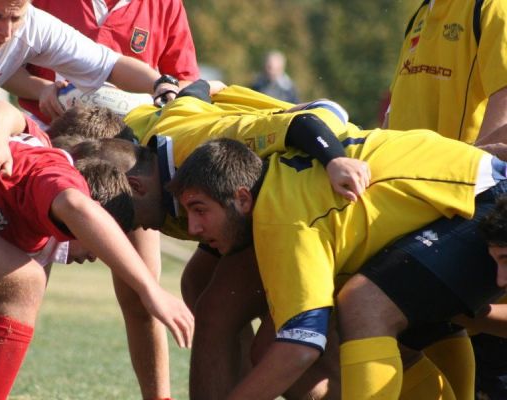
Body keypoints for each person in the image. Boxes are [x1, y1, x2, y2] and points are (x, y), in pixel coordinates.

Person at [54, 81, 370, 398]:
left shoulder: (194, 143)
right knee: (198, 283)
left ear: (133, 184)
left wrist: (334, 160)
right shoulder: (137, 149)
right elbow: (191, 95)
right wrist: (191, 87)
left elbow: (308, 121)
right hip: (274, 205)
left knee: (228, 317)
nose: (132, 229)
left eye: (127, 220)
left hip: (315, 193)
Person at [167, 127, 507, 399]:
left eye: (200, 210)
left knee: (364, 305)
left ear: (242, 198)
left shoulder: (281, 219)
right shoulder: (273, 188)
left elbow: (301, 347)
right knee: (363, 334)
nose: (194, 228)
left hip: (483, 197)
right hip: (462, 198)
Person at [0, 109, 193, 398]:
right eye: (110, 232)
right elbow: (75, 204)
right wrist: (150, 289)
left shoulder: (25, 149)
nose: (97, 254)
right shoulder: (55, 169)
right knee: (24, 283)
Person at [8, 1, 199, 395]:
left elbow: (180, 81)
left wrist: (152, 103)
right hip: (50, 149)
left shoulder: (163, 5)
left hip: (128, 161)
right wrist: (40, 89)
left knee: (141, 289)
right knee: (13, 282)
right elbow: (3, 59)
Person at [385, 1, 507, 397]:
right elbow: (394, 121)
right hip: (413, 206)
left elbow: (503, 123)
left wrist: (455, 183)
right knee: (423, 328)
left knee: (365, 308)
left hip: (465, 205)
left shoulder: (493, 8)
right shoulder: (423, 11)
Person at [0, 0, 178, 124]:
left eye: (16, 18)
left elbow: (111, 65)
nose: (7, 32)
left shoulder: (36, 27)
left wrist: (161, 84)